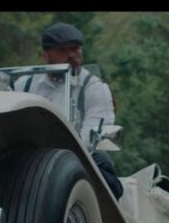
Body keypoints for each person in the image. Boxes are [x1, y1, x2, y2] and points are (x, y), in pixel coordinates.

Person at [15, 22, 123, 199]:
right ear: (45, 55)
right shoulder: (23, 83)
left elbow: (91, 139)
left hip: (77, 160)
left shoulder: (95, 88)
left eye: (76, 49)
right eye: (63, 50)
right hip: (28, 158)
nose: (72, 55)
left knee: (102, 163)